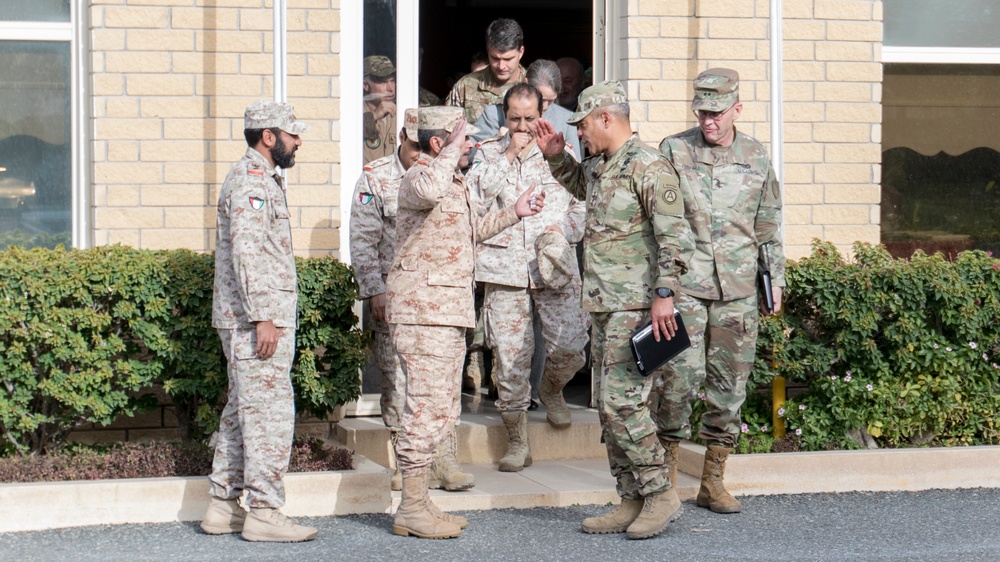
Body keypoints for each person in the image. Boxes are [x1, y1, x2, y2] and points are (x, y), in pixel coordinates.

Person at [533, 81, 690, 540]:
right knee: (607, 407)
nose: (580, 133)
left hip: (636, 306)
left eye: (582, 125)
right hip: (604, 304)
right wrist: (556, 154)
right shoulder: (603, 166)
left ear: (606, 118)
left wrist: (664, 294)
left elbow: (673, 236)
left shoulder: (649, 166)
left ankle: (660, 492)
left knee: (624, 402)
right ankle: (631, 497)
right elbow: (581, 186)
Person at [386, 106, 544, 538]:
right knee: (423, 409)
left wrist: (515, 211)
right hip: (424, 314)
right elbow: (429, 190)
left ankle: (420, 502)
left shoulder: (452, 182)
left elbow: (469, 232)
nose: (473, 144)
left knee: (441, 409)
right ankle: (410, 508)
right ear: (438, 143)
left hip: (446, 313)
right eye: (464, 138)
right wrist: (450, 149)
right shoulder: (418, 177)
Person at [652, 68, 785, 515]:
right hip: (685, 290)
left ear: (737, 110)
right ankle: (664, 486)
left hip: (739, 291)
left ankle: (712, 482)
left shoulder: (756, 155)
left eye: (716, 113)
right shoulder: (674, 150)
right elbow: (659, 222)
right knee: (677, 382)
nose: (708, 121)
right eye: (701, 111)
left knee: (729, 389)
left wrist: (776, 278)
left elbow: (768, 225)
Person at [200, 101, 317, 543]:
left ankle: (222, 505)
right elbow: (247, 254)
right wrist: (263, 317)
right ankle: (265, 512)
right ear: (269, 136)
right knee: (268, 415)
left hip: (250, 320)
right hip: (255, 323)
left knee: (240, 411)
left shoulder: (261, 179)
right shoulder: (252, 182)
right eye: (293, 134)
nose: (298, 141)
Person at [466, 84, 589, 472]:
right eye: (514, 118)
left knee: (570, 344)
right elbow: (473, 202)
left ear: (543, 115)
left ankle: (552, 388)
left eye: (529, 118)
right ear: (504, 116)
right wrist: (508, 155)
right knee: (510, 360)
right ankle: (518, 440)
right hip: (505, 270)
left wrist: (562, 231)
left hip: (554, 266)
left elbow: (583, 203)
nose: (522, 127)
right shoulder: (487, 155)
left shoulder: (559, 153)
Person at [349, 108, 422, 493]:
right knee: (396, 380)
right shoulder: (375, 178)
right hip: (392, 298)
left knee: (434, 381)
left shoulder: (440, 175)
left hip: (431, 299)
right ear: (401, 140)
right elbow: (362, 240)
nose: (418, 153)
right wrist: (373, 289)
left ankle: (438, 459)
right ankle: (400, 460)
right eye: (413, 146)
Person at [473, 59, 582, 161]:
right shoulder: (493, 115)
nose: (544, 107)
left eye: (550, 101)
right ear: (525, 83)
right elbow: (473, 158)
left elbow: (574, 168)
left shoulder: (566, 119)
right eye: (541, 98)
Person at [446, 19, 527, 124]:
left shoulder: (534, 86)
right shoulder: (465, 87)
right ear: (488, 50)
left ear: (521, 52)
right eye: (495, 58)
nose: (501, 66)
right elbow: (447, 130)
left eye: (508, 59)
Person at [363, 55, 397, 164]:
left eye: (392, 81)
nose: (390, 88)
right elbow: (344, 137)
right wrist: (373, 117)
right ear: (365, 85)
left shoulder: (400, 112)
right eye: (383, 82)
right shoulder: (353, 112)